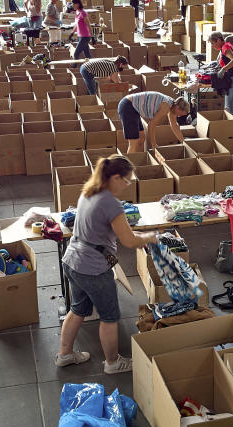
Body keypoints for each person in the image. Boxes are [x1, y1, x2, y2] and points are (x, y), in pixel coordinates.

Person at [57, 155, 159, 374]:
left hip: (73, 260)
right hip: (93, 268)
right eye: (127, 180)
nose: (127, 185)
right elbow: (129, 240)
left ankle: (65, 355)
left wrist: (139, 237)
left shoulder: (89, 191)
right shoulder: (111, 203)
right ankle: (113, 363)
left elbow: (117, 231)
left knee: (77, 310)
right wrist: (149, 237)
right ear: (115, 177)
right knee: (109, 317)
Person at [117, 92, 190, 153]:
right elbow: (151, 125)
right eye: (181, 114)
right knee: (134, 142)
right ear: (178, 107)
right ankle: (127, 168)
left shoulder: (172, 106)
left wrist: (183, 141)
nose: (179, 116)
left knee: (142, 138)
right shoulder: (166, 106)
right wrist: (154, 144)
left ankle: (137, 161)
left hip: (133, 108)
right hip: (128, 105)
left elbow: (174, 125)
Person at [209, 31, 233, 117]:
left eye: (212, 43)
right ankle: (231, 125)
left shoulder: (225, 48)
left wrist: (224, 69)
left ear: (218, 40)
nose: (212, 46)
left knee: (228, 107)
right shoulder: (227, 45)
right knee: (228, 105)